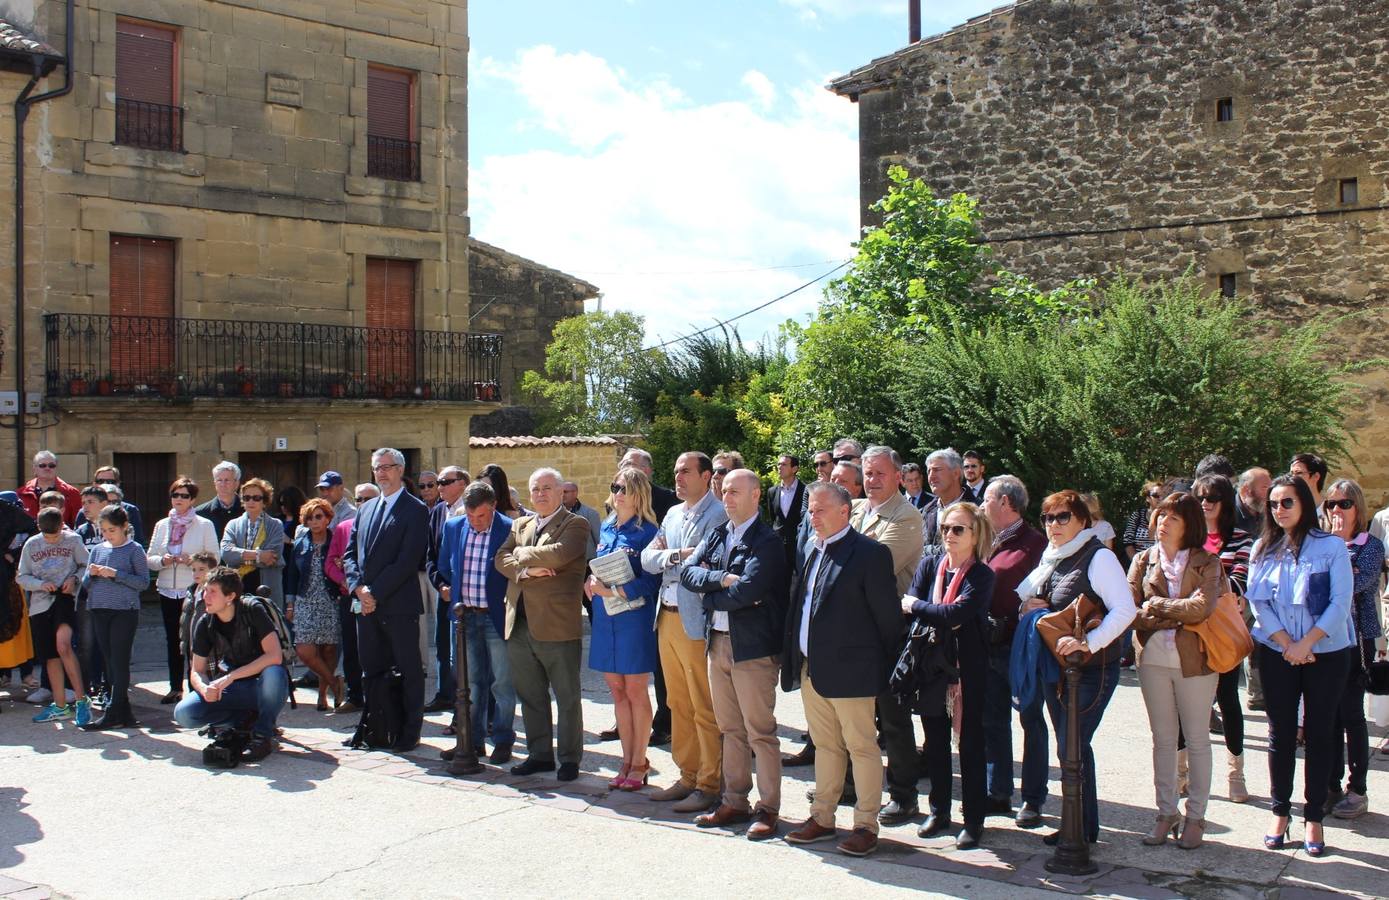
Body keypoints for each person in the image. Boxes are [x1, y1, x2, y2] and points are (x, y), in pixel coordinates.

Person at [782, 481, 900, 858]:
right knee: (827, 747)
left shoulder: (869, 554)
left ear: (844, 512)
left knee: (861, 747)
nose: (812, 517)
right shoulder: (809, 548)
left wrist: (878, 670)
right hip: (811, 668)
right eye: (809, 510)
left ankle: (866, 824)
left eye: (819, 510)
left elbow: (888, 620)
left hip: (853, 672)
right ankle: (823, 816)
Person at [1017, 489, 1137, 845]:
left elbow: (1125, 610)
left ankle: (1080, 832)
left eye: (1062, 517)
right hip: (1057, 668)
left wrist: (1089, 643)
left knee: (1073, 747)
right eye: (1048, 518)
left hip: (1092, 669)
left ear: (1083, 521)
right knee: (1072, 748)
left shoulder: (1098, 557)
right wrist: (1030, 608)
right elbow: (1032, 601)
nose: (1053, 525)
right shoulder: (1052, 557)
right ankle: (1080, 826)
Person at [1245, 474, 1353, 857]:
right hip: (1279, 652)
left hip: (1325, 653)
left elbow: (1340, 603)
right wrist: (1287, 644)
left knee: (1321, 733)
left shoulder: (1331, 548)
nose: (1279, 510)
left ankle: (1313, 816)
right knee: (1281, 733)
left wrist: (1307, 643)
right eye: (1273, 504)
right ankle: (1279, 810)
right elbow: (1259, 603)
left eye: (1287, 502)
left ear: (1304, 504)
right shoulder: (1263, 548)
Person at [678, 468, 789, 837]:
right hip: (718, 643)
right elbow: (688, 575)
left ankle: (768, 808)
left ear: (756, 495)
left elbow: (750, 591)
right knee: (729, 729)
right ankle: (734, 801)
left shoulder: (768, 541)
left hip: (753, 649)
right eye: (723, 491)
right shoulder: (718, 533)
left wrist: (712, 591)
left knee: (760, 731)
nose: (727, 498)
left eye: (734, 492)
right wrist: (720, 581)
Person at [1128, 492, 1223, 850]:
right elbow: (1127, 609)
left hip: (1195, 659)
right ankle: (1165, 813)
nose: (1162, 523)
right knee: (1163, 741)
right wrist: (1165, 611)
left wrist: (1157, 606)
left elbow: (1202, 608)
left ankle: (1196, 817)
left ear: (1189, 526)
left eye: (1172, 519)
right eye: (1160, 516)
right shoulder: (1142, 559)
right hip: (1152, 659)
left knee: (1197, 739)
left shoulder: (1207, 562)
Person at [903, 502, 996, 848]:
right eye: (945, 529)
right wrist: (932, 612)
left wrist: (922, 609)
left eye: (958, 529)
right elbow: (912, 604)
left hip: (966, 670)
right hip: (930, 666)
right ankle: (939, 810)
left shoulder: (981, 575)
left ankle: (974, 820)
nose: (949, 535)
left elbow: (957, 612)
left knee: (970, 745)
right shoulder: (930, 565)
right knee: (935, 743)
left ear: (975, 535)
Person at [640, 452, 727, 812]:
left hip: (695, 620)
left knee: (703, 705)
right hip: (667, 617)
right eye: (675, 471)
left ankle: (710, 782)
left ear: (706, 476)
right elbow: (647, 559)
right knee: (677, 702)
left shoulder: (718, 514)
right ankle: (687, 774)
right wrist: (678, 556)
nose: (677, 478)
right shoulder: (673, 514)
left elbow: (705, 564)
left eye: (685, 472)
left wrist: (671, 559)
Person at [496, 467, 591, 781]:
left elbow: (560, 554)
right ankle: (539, 755)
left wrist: (521, 554)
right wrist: (526, 572)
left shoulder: (576, 523)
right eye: (535, 489)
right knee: (531, 695)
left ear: (561, 491)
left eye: (547, 488)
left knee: (566, 697)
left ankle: (569, 759)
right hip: (519, 623)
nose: (540, 494)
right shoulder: (519, 523)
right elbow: (500, 559)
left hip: (557, 626)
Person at [850, 446, 925, 827]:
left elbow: (873, 565)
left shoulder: (907, 516)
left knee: (892, 717)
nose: (872, 480)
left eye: (880, 473)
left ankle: (904, 795)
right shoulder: (858, 510)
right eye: (867, 474)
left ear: (898, 477)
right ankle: (853, 784)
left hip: (887, 629)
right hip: (853, 627)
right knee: (852, 712)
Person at [344, 448, 432, 753]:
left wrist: (374, 593)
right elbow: (350, 555)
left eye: (388, 467)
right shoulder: (366, 509)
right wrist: (358, 589)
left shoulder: (416, 509)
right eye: (377, 468)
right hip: (364, 606)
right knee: (371, 670)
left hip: (398, 605)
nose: (382, 473)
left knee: (408, 670)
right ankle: (375, 727)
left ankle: (409, 732)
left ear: (401, 470)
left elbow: (407, 560)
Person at [586, 468, 662, 790]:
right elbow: (599, 565)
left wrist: (616, 591)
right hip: (606, 618)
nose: (618, 493)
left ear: (639, 494)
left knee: (635, 691)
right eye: (615, 486)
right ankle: (626, 760)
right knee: (616, 691)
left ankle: (639, 761)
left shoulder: (649, 532)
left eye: (625, 488)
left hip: (634, 619)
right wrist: (591, 582)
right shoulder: (605, 527)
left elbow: (652, 581)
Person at [980, 476, 1047, 825]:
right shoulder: (985, 539)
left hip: (1021, 646)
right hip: (987, 643)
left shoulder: (1035, 544)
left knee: (1031, 719)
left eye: (987, 499)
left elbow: (1047, 591)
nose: (981, 505)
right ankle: (998, 792)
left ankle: (1034, 799)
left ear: (1006, 503)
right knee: (993, 721)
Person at [174, 567, 290, 762]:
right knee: (184, 713)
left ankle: (263, 734)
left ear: (230, 596)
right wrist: (205, 688)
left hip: (260, 686)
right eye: (205, 590)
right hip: (231, 688)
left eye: (212, 592)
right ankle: (240, 721)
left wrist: (230, 677)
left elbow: (274, 656)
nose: (205, 596)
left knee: (274, 673)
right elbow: (197, 670)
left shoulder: (252, 610)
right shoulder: (205, 622)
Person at [437, 481, 516, 763]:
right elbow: (444, 566)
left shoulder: (511, 528)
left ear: (493, 506)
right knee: (470, 684)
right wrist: (444, 586)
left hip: (496, 617)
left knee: (502, 683)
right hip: (464, 617)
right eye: (470, 516)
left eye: (480, 516)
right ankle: (471, 741)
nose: (475, 521)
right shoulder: (454, 527)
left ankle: (504, 740)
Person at [1189, 474, 1253, 803]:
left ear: (1225, 502)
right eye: (1200, 497)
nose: (1205, 503)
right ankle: (1183, 772)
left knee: (1228, 697)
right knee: (1185, 703)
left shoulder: (1240, 539)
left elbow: (1240, 583)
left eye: (1212, 497)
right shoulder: (1188, 540)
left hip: (1222, 632)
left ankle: (1235, 772)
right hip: (1188, 632)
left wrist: (1201, 595)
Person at [1322, 478, 1383, 820]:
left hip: (1357, 640)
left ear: (1357, 507)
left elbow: (1355, 585)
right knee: (1328, 717)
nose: (1336, 510)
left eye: (1343, 503)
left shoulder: (1370, 546)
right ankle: (1330, 784)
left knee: (1351, 716)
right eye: (1331, 504)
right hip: (1327, 641)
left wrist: (1333, 564)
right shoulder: (1324, 545)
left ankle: (1357, 789)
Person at [147, 477, 220, 704]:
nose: (179, 499)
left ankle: (195, 687)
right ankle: (174, 687)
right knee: (173, 640)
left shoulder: (204, 524)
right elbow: (150, 558)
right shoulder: (162, 525)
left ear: (193, 499)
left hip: (195, 589)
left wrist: (193, 560)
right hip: (168, 587)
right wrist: (164, 560)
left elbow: (215, 557)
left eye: (184, 495)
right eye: (175, 495)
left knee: (195, 640)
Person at [79, 504, 149, 731]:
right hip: (99, 608)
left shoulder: (135, 549)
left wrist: (116, 574)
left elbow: (143, 583)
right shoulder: (98, 550)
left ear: (124, 527)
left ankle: (113, 710)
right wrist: (91, 574)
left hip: (124, 611)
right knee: (109, 661)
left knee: (119, 661)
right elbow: (85, 584)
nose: (107, 535)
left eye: (112, 530)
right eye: (104, 530)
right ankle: (124, 711)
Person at [18, 508, 90, 725]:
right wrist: (40, 584)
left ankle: (81, 700)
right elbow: (22, 576)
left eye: (56, 535)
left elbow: (86, 565)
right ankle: (59, 706)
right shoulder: (31, 544)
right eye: (47, 537)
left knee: (63, 645)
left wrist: (75, 579)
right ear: (39, 528)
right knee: (50, 655)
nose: (52, 540)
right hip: (40, 604)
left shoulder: (73, 540)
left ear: (62, 526)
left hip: (65, 600)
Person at [284, 498, 344, 712]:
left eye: (319, 516)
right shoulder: (301, 543)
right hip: (305, 601)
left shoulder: (336, 541)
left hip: (330, 599)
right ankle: (336, 683)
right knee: (305, 651)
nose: (314, 521)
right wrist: (290, 604)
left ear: (328, 518)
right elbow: (291, 575)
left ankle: (322, 696)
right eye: (309, 518)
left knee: (328, 650)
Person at [325, 482, 380, 714]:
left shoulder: (384, 526)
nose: (363, 504)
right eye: (359, 499)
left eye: (368, 499)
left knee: (377, 647)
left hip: (377, 596)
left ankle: (379, 696)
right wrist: (344, 580)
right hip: (350, 596)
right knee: (351, 646)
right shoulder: (344, 527)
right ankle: (354, 695)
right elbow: (331, 561)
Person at [424, 465, 471, 714]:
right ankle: (445, 695)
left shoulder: (473, 509)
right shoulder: (438, 512)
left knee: (462, 651)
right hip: (444, 591)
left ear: (462, 483)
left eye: (445, 482)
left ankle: (466, 706)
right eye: (438, 483)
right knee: (442, 644)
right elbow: (430, 553)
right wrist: (440, 584)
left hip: (468, 594)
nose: (439, 487)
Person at [220, 478, 285, 612]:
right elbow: (226, 554)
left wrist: (240, 556)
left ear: (264, 501)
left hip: (266, 586)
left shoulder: (275, 525)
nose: (251, 501)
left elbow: (273, 556)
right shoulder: (233, 524)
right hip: (239, 585)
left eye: (256, 498)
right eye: (247, 497)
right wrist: (259, 555)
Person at [18, 450, 81, 526]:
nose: (47, 468)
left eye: (51, 465)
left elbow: (78, 524)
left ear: (56, 468)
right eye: (42, 465)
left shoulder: (71, 493)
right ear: (34, 468)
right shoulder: (21, 494)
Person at [921, 448, 967, 550]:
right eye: (929, 471)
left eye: (937, 470)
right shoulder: (926, 511)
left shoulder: (976, 510)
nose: (931, 477)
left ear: (956, 473)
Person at [766, 454, 805, 570]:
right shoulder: (772, 491)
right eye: (778, 464)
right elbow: (773, 517)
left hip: (798, 544)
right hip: (777, 545)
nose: (779, 467)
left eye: (783, 464)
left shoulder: (805, 491)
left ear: (794, 469)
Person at [93, 465, 144, 547]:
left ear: (118, 484)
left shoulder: (130, 510)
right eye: (100, 481)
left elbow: (138, 541)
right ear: (94, 484)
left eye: (110, 481)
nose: (105, 484)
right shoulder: (85, 511)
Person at [196, 461, 244, 540]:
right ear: (215, 483)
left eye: (227, 480)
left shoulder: (248, 511)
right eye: (219, 480)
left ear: (236, 483)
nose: (223, 484)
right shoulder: (200, 513)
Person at [1123, 482, 1164, 561]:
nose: (1160, 498)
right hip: (1138, 563)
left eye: (1163, 495)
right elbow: (1128, 542)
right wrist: (1137, 564)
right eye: (1156, 495)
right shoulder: (1137, 515)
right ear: (1148, 498)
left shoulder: (1168, 517)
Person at [561, 481, 601, 560]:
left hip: (586, 563)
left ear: (575, 493)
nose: (562, 495)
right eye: (560, 492)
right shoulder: (556, 514)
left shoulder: (591, 513)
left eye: (565, 492)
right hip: (564, 563)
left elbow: (599, 540)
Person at [1236, 468, 1271, 539]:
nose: (1270, 494)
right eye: (1264, 488)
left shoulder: (1269, 511)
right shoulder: (1226, 515)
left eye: (1270, 488)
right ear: (1245, 490)